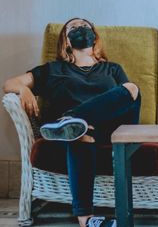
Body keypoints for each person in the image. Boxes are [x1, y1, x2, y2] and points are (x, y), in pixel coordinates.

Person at [3, 18, 141, 227]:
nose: (80, 29)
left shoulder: (112, 69)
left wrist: (79, 117)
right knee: (80, 133)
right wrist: (23, 89)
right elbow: (9, 83)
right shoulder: (53, 69)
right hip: (75, 135)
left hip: (112, 129)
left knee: (131, 89)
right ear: (66, 41)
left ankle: (71, 118)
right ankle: (86, 220)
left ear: (94, 36)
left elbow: (125, 100)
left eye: (84, 26)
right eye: (73, 28)